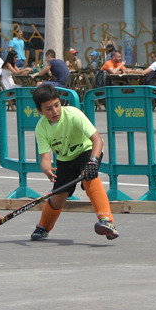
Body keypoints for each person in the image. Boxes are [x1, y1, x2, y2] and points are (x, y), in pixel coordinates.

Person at [30, 84, 119, 241]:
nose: (55, 111)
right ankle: (43, 226)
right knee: (58, 197)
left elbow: (97, 140)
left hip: (87, 151)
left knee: (89, 177)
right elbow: (44, 159)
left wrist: (93, 161)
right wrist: (46, 169)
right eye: (48, 109)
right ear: (40, 111)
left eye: (57, 105)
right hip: (65, 159)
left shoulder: (73, 114)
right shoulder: (41, 128)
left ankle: (107, 221)